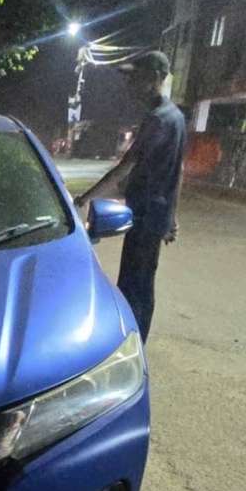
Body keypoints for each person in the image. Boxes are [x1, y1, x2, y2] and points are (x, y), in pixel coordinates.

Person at [74, 50, 186, 343]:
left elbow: (126, 166)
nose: (131, 84)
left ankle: (133, 345)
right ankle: (137, 340)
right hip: (155, 215)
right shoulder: (175, 117)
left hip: (146, 216)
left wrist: (83, 198)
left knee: (134, 286)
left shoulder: (159, 119)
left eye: (137, 78)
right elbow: (178, 172)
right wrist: (172, 216)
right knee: (142, 283)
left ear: (156, 79)